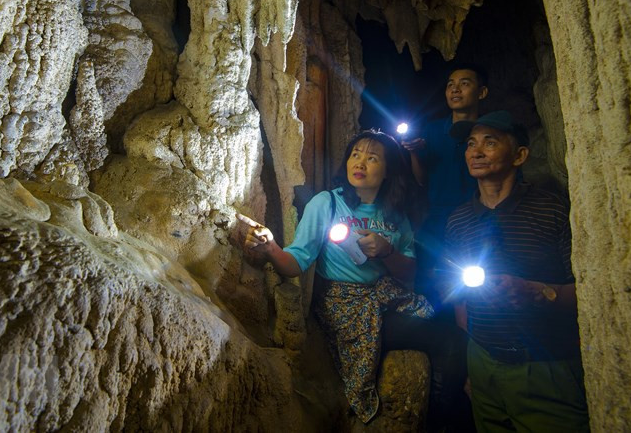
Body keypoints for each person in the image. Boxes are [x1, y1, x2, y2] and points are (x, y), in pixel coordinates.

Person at [238, 130, 469, 429]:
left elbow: (409, 272)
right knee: (448, 340)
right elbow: (297, 261)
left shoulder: (396, 215)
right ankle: (444, 422)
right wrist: (270, 248)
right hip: (344, 305)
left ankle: (441, 411)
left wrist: (386, 251)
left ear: (387, 171)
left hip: (387, 299)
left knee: (446, 328)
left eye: (372, 158)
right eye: (355, 154)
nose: (360, 162)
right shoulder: (328, 204)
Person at [444, 111, 589, 432]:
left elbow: (591, 291)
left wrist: (539, 293)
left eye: (490, 143)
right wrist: (472, 363)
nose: (476, 152)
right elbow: (459, 297)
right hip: (483, 362)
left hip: (544, 367)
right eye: (470, 144)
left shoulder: (551, 210)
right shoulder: (458, 220)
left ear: (520, 155)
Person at [402, 65, 489, 317]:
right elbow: (421, 180)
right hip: (437, 216)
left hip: (477, 217)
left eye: (464, 83)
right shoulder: (433, 130)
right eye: (450, 84)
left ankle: (472, 332)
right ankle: (439, 334)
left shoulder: (489, 132)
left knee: (475, 280)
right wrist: (415, 154)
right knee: (433, 280)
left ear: (482, 92)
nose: (455, 89)